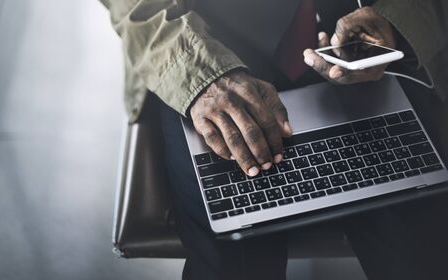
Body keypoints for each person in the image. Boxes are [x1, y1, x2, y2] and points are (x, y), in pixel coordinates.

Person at [100, 0, 448, 279]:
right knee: (235, 260)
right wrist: (199, 74)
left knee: (424, 248)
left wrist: (397, 16)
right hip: (202, 43)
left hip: (356, 42)